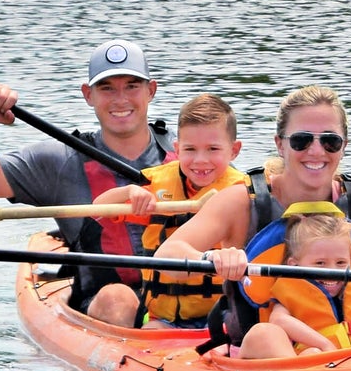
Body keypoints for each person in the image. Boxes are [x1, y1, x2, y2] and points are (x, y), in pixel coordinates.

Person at [154, 84, 351, 359]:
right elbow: (168, 253)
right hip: (271, 351)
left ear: (344, 146)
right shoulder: (241, 202)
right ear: (280, 144)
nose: (316, 151)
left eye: (330, 141)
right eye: (301, 140)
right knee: (266, 334)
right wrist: (213, 258)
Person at [0, 39, 175, 328]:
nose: (120, 99)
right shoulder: (60, 161)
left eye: (132, 86)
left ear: (151, 90)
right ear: (88, 95)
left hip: (184, 302)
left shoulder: (192, 156)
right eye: (107, 88)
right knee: (118, 299)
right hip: (102, 306)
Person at [93, 93, 246, 329]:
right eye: (190, 149)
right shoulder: (157, 185)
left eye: (213, 149)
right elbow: (98, 210)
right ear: (177, 149)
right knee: (123, 307)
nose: (200, 160)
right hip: (161, 319)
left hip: (222, 318)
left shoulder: (242, 192)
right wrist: (129, 192)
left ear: (234, 150)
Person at [263, 212, 351, 356]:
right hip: (317, 358)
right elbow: (278, 320)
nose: (332, 271)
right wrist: (325, 345)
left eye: (341, 262)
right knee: (309, 351)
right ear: (294, 264)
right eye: (320, 263)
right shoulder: (290, 291)